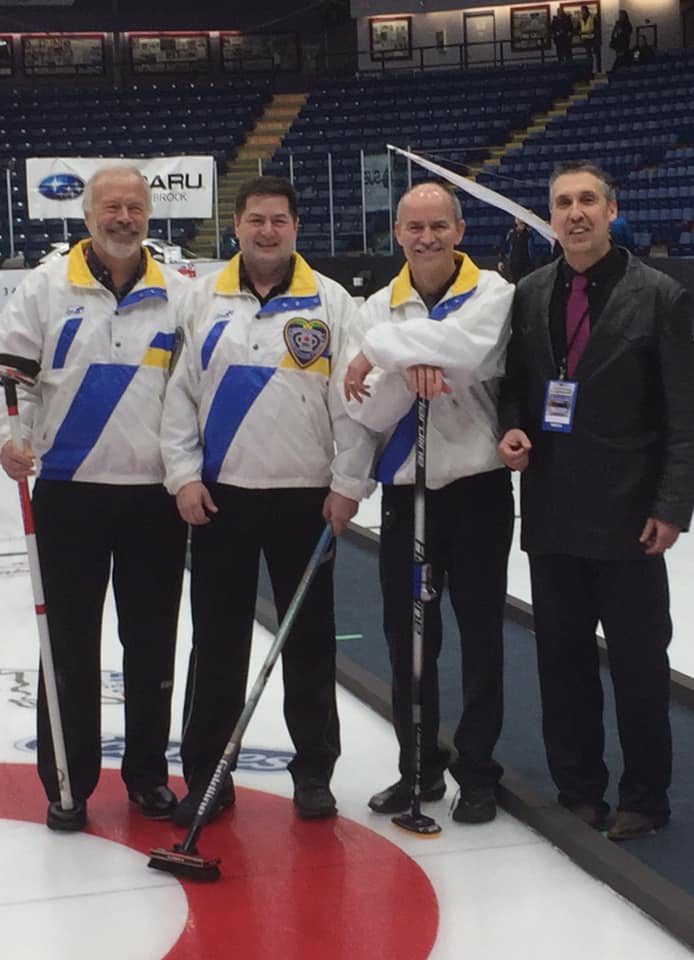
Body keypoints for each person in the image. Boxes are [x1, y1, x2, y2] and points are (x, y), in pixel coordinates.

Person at [161, 175, 374, 826]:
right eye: (256, 220)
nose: (267, 231)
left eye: (279, 220)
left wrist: (347, 486)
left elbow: (356, 407)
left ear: (296, 227)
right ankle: (205, 775)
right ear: (237, 226)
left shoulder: (332, 301)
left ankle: (314, 772)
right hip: (223, 498)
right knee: (217, 642)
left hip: (306, 501)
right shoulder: (201, 299)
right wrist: (183, 477)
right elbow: (179, 398)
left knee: (309, 642)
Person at [498, 160, 694, 840]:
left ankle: (645, 795)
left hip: (630, 513)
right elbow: (515, 386)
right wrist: (512, 429)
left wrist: (671, 505)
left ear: (612, 211)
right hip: (552, 508)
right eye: (562, 203)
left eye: (587, 201)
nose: (575, 213)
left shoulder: (660, 296)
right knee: (562, 658)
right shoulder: (528, 292)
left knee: (640, 664)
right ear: (549, 217)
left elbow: (683, 411)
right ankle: (578, 787)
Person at [0, 163, 188, 831]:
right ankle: (67, 783)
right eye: (111, 207)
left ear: (148, 214)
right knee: (69, 644)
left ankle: (147, 776)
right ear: (86, 216)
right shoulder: (46, 287)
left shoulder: (178, 288)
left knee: (151, 643)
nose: (124, 218)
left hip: (154, 498)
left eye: (134, 207)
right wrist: (6, 437)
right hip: (69, 492)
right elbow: (9, 376)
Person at [343, 182, 514, 823]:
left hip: (477, 488)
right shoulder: (376, 305)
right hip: (404, 489)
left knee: (479, 634)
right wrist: (405, 367)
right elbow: (366, 405)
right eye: (414, 227)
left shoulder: (494, 292)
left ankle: (478, 772)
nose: (427, 237)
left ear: (459, 230)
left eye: (438, 225)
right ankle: (418, 768)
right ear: (398, 233)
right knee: (408, 639)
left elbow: (471, 355)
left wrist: (380, 353)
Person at [498, 216, 538, 283]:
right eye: (517, 218)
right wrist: (500, 260)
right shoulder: (511, 232)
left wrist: (532, 217)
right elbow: (504, 246)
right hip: (514, 262)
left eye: (520, 217)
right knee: (515, 282)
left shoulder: (530, 232)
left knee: (528, 283)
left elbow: (537, 232)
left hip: (527, 262)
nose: (519, 219)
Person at [579, 4, 601, 72]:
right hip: (586, 40)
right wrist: (580, 34)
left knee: (597, 55)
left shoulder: (592, 18)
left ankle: (598, 70)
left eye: (583, 10)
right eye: (582, 11)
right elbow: (578, 28)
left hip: (593, 39)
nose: (583, 12)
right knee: (589, 57)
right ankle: (590, 71)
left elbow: (597, 28)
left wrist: (592, 32)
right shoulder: (581, 20)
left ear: (586, 10)